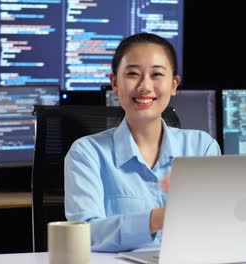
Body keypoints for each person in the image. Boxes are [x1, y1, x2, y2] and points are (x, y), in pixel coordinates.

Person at [64, 32, 221, 252]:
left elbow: (218, 224)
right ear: (114, 83)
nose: (145, 86)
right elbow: (84, 235)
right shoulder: (86, 152)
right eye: (133, 74)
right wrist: (159, 218)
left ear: (174, 84)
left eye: (157, 74)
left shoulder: (201, 147)